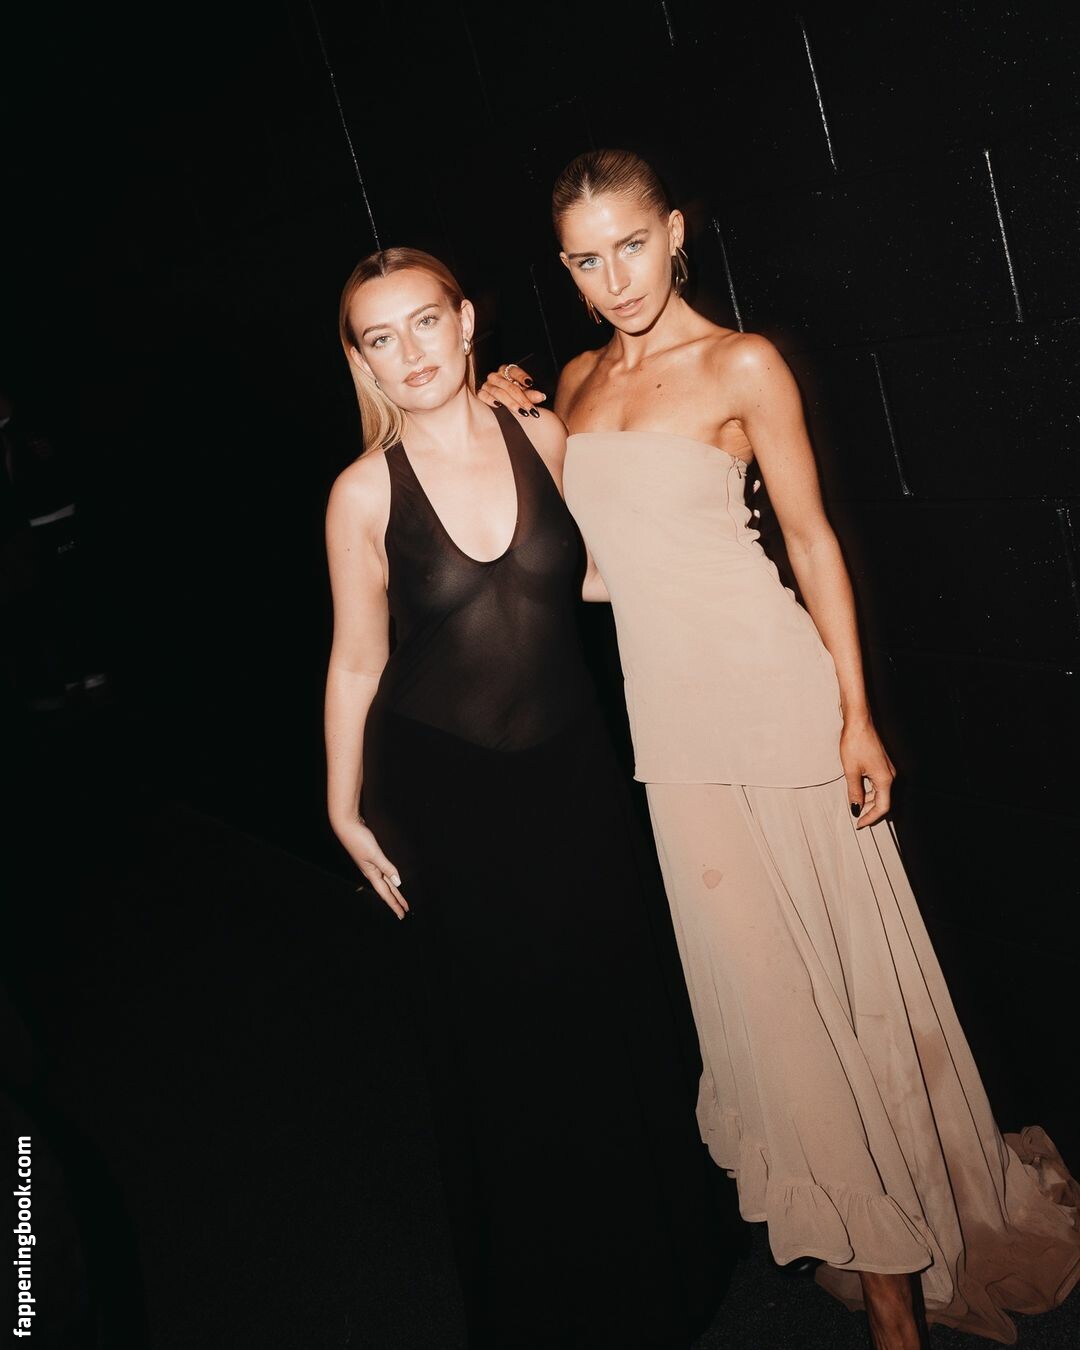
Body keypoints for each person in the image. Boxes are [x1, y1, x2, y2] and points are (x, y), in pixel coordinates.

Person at [479, 149, 1080, 1350]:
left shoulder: (741, 363)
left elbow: (810, 543)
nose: (616, 277)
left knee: (845, 996)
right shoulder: (575, 384)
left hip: (775, 702)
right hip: (672, 736)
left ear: (675, 231)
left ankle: (897, 1307)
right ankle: (877, 1248)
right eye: (587, 260)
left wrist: (856, 715)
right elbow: (591, 577)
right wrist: (518, 430)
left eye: (632, 245)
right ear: (565, 269)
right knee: (766, 1010)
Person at [324, 246, 727, 1349]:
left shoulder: (541, 435)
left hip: (573, 774)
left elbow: (583, 576)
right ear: (362, 361)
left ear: (465, 323)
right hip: (445, 797)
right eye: (380, 338)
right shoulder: (362, 493)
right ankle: (551, 1301)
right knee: (504, 1048)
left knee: (610, 1009)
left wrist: (711, 559)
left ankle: (659, 1265)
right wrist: (342, 808)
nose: (409, 351)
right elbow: (357, 659)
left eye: (425, 322)